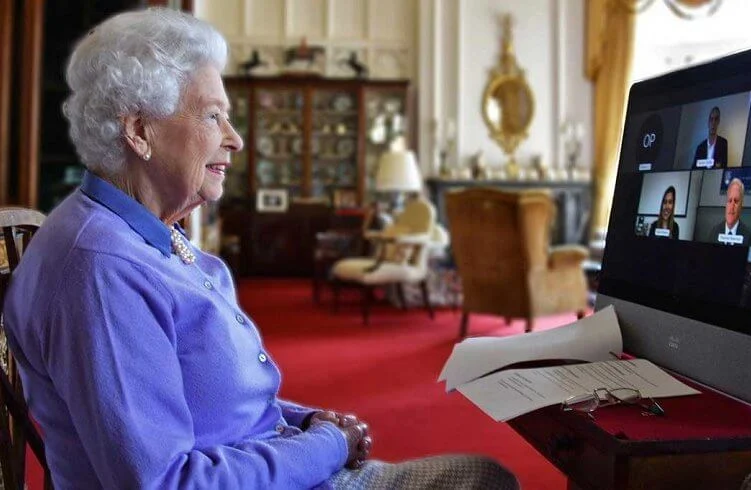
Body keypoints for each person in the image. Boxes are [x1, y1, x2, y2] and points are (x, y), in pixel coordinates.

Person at [2, 9, 518, 490]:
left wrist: (303, 422)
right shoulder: (101, 267)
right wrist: (328, 445)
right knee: (483, 478)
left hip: (264, 459)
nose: (236, 139)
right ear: (140, 131)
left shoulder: (133, 233)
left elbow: (211, 405)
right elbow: (167, 482)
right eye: (212, 116)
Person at [707, 177, 751, 247]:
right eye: (729, 200)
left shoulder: (748, 234)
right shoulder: (714, 232)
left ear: (741, 205)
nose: (732, 206)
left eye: (736, 201)